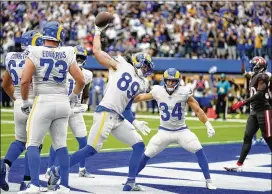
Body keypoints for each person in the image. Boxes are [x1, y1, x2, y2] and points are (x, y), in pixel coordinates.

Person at [48, 23, 154, 191]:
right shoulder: (121, 65)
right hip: (105, 112)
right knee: (90, 149)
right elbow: (98, 53)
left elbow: (131, 101)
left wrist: (149, 101)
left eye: (148, 67)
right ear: (137, 62)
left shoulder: (142, 82)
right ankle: (57, 170)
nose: (146, 69)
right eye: (145, 65)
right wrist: (97, 32)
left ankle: (130, 181)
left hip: (118, 117)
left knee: (139, 145)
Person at [19, 21, 85, 193]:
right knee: (61, 145)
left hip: (43, 101)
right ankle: (64, 185)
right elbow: (81, 80)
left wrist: (25, 101)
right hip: (62, 101)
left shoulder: (34, 51)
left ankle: (34, 184)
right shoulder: (68, 52)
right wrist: (71, 97)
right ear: (59, 35)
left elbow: (25, 80)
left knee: (33, 144)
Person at [133, 68, 216, 190]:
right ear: (164, 80)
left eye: (173, 81)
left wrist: (208, 124)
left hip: (181, 131)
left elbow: (197, 109)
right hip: (163, 132)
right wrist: (125, 95)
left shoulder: (184, 92)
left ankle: (208, 180)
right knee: (146, 154)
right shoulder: (157, 91)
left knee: (199, 150)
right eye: (168, 81)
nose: (170, 83)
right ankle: (131, 179)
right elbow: (138, 98)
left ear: (178, 81)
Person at [0, 30, 43, 192]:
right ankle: (27, 181)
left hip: (19, 103)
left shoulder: (11, 57)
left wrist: (17, 100)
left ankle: (5, 166)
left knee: (19, 141)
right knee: (34, 144)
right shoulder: (37, 56)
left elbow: (5, 84)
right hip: (34, 102)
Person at [45, 45, 93, 179]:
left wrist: (85, 104)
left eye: (81, 57)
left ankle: (82, 169)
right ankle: (49, 169)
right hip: (63, 107)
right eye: (76, 57)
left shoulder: (87, 74)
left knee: (84, 142)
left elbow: (86, 90)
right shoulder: (62, 71)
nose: (78, 60)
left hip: (76, 110)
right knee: (58, 141)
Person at [224, 56, 272, 172]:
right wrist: (242, 63)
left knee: (269, 139)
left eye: (253, 65)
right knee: (247, 136)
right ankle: (239, 164)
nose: (251, 67)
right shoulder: (254, 75)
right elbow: (245, 73)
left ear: (259, 67)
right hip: (254, 111)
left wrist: (243, 102)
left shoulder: (264, 76)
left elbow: (260, 94)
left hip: (264, 110)